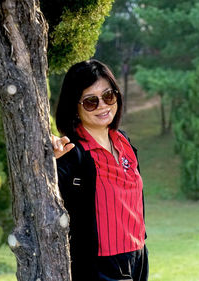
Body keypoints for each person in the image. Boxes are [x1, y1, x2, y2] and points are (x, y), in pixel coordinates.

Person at [52, 59, 148, 281]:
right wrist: (50, 159)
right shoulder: (70, 153)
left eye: (108, 96)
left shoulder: (124, 142)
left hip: (138, 255)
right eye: (90, 102)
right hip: (100, 266)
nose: (103, 106)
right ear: (74, 107)